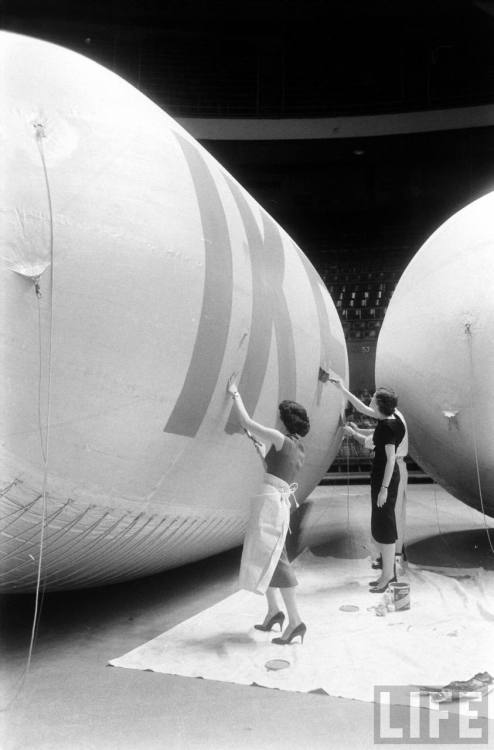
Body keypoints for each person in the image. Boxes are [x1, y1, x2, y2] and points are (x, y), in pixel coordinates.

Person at [227, 374, 310, 645]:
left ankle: (295, 621)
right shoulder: (298, 448)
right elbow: (275, 468)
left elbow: (247, 422)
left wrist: (234, 393)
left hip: (271, 501)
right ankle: (275, 612)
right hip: (278, 499)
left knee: (277, 559)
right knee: (270, 556)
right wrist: (260, 449)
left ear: (284, 420)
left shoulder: (279, 437)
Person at [331, 380, 405, 592]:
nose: (369, 402)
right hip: (383, 476)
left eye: (373, 400)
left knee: (386, 527)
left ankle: (388, 576)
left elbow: (391, 459)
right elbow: (362, 408)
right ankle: (387, 573)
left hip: (386, 478)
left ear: (379, 405)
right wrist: (342, 388)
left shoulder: (388, 427)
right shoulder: (391, 417)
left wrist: (384, 488)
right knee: (382, 525)